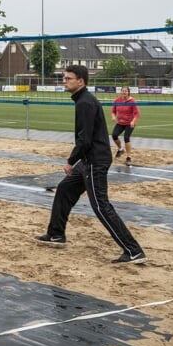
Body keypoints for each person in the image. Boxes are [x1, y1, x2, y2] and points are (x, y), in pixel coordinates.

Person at [36, 65, 146, 264]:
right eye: (64, 78)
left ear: (81, 81)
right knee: (64, 190)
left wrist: (70, 161)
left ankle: (133, 250)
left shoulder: (85, 103)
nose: (64, 81)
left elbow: (84, 140)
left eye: (68, 78)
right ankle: (56, 234)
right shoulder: (83, 100)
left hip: (95, 160)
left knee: (101, 206)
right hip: (89, 159)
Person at [110, 86, 139, 166]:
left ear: (128, 92)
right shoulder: (117, 100)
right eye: (123, 91)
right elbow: (113, 111)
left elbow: (137, 114)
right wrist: (113, 116)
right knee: (114, 135)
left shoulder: (132, 101)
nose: (124, 92)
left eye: (126, 91)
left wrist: (133, 121)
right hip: (120, 122)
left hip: (130, 123)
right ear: (121, 92)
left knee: (126, 137)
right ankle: (120, 149)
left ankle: (128, 157)